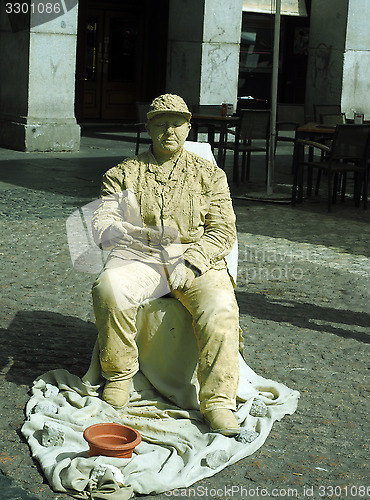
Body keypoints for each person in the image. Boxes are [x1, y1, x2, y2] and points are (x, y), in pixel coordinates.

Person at [91, 94, 241, 436]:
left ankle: (218, 401)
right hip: (140, 258)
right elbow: (102, 220)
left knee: (220, 308)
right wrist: (118, 230)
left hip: (197, 259)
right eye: (160, 124)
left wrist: (191, 262)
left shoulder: (209, 175)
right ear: (148, 129)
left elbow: (222, 230)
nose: (168, 131)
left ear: (188, 128)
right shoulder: (122, 174)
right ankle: (119, 374)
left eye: (176, 124)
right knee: (109, 288)